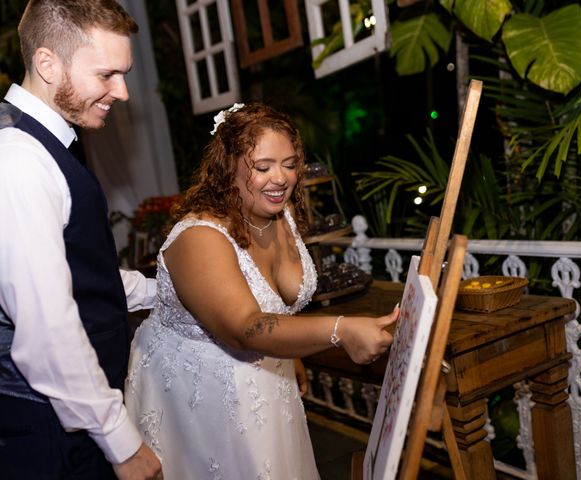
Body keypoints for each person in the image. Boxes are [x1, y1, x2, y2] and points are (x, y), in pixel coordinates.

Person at [125, 102, 399, 479]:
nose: (282, 178)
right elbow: (246, 327)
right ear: (228, 167)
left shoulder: (277, 212)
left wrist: (290, 350)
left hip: (268, 384)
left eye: (289, 164)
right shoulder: (199, 237)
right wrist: (341, 330)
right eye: (263, 166)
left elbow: (274, 307)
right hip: (204, 399)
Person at [0, 1, 162, 479]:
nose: (124, 92)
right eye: (107, 74)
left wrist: (165, 291)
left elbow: (72, 275)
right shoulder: (17, 160)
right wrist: (122, 442)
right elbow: (46, 329)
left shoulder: (39, 146)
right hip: (46, 430)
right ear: (48, 63)